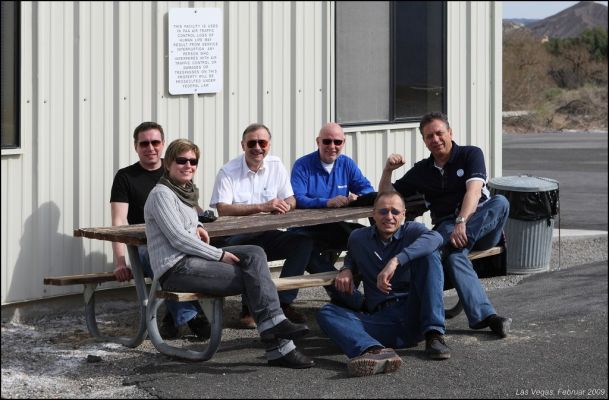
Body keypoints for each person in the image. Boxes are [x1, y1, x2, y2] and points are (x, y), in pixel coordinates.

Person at [144, 138, 314, 369]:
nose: (188, 165)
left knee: (254, 252)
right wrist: (218, 255)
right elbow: (178, 239)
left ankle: (273, 325)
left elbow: (187, 223)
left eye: (193, 161)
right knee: (254, 278)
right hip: (176, 268)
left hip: (193, 260)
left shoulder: (185, 193)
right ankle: (280, 345)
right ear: (168, 163)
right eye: (181, 160)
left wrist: (199, 226)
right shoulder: (161, 194)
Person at [209, 123, 362, 329]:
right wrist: (262, 206)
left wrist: (285, 205)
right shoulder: (228, 171)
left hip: (268, 233)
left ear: (269, 145)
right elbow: (223, 209)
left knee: (303, 243)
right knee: (255, 251)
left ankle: (283, 303)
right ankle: (248, 309)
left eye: (262, 143)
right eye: (252, 143)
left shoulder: (276, 165)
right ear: (243, 145)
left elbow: (292, 199)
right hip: (236, 237)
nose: (257, 148)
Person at [378, 111, 512, 338]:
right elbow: (385, 196)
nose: (436, 139)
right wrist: (388, 170)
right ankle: (487, 317)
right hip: (447, 228)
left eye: (439, 133)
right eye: (429, 136)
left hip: (481, 225)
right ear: (424, 141)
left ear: (450, 132)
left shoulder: (470, 154)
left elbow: (474, 192)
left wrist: (462, 221)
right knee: (456, 256)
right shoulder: (422, 170)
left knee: (500, 202)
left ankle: (441, 250)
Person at [316, 191, 450, 377]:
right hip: (383, 320)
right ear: (373, 214)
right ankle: (374, 351)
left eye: (395, 212)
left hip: (415, 312)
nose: (389, 216)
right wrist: (346, 269)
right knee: (326, 313)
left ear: (403, 214)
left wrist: (396, 261)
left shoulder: (412, 231)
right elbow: (352, 257)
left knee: (430, 254)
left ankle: (434, 335)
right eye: (383, 211)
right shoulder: (358, 238)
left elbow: (437, 238)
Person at [110, 121, 210, 340]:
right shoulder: (125, 177)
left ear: (163, 144)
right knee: (159, 257)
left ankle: (172, 318)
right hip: (145, 245)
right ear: (135, 146)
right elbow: (118, 220)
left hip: (180, 239)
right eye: (144, 143)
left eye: (155, 142)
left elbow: (191, 206)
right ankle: (192, 315)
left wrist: (199, 224)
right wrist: (120, 261)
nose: (150, 148)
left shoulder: (177, 166)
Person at [290, 122, 375, 254]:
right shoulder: (302, 165)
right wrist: (327, 202)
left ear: (343, 143)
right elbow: (298, 199)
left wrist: (358, 197)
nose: (332, 146)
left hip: (335, 225)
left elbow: (367, 189)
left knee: (369, 237)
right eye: (327, 141)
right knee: (308, 247)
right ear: (318, 142)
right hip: (305, 227)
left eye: (337, 142)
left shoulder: (347, 164)